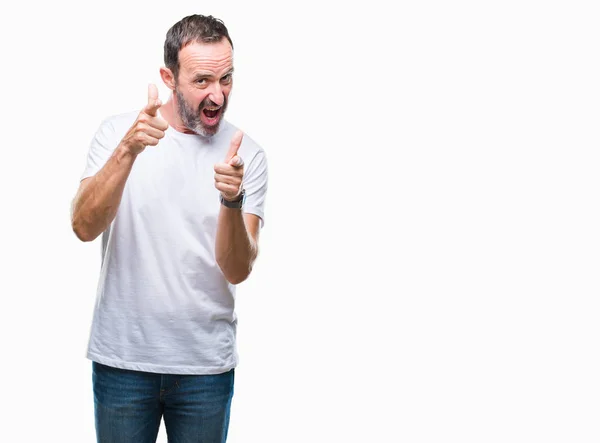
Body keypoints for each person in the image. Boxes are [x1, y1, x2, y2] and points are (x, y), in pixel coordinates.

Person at [70, 14, 268, 443]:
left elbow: (237, 269)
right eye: (202, 81)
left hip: (204, 371)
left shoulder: (246, 156)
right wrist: (129, 149)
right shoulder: (117, 133)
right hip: (122, 363)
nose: (218, 94)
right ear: (168, 77)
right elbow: (83, 227)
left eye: (227, 78)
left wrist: (232, 200)